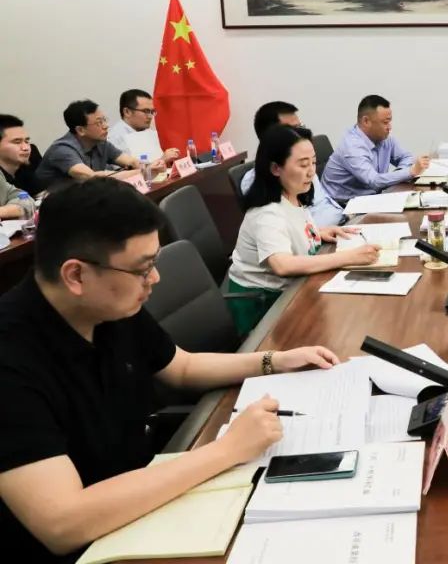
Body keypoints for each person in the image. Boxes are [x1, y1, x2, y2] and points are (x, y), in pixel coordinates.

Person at [0, 177, 342, 563]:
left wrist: (274, 361)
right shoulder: (12, 356)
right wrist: (227, 449)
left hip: (141, 498)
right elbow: (63, 523)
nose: (155, 279)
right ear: (76, 275)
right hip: (92, 543)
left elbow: (182, 367)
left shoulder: (108, 304)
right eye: (143, 268)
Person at [228, 125, 380, 333]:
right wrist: (349, 257)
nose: (311, 172)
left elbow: (290, 230)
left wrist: (318, 233)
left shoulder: (293, 194)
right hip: (264, 306)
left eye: (313, 162)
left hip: (292, 291)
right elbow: (283, 265)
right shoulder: (266, 212)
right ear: (275, 168)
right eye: (303, 165)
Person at [241, 101, 344, 228]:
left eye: (301, 127)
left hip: (341, 222)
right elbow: (289, 229)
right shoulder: (258, 182)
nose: (300, 133)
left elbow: (321, 203)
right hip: (322, 236)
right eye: (293, 129)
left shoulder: (303, 163)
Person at [321, 95, 430, 202]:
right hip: (343, 206)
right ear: (366, 121)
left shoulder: (383, 138)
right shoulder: (352, 147)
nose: (390, 127)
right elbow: (374, 181)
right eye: (385, 122)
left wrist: (401, 172)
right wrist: (410, 172)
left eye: (390, 121)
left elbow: (406, 157)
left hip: (370, 198)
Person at [36, 101, 139, 190]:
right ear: (80, 130)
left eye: (104, 120)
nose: (106, 126)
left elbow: (131, 161)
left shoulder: (101, 143)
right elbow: (91, 178)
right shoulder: (62, 150)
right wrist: (139, 172)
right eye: (99, 123)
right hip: (51, 202)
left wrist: (141, 166)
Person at [106, 89, 180, 166]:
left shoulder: (147, 132)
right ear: (127, 112)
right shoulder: (115, 138)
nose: (150, 116)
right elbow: (125, 170)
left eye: (152, 111)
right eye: (146, 111)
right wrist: (162, 160)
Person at [0, 114, 43, 196]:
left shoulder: (26, 167)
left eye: (27, 141)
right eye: (17, 142)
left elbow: (42, 195)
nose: (26, 148)